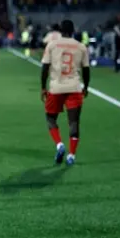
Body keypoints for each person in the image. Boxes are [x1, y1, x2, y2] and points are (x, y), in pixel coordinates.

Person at [41, 20, 90, 166]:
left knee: (51, 118)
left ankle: (59, 144)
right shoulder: (81, 47)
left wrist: (43, 87)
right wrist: (86, 87)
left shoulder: (52, 44)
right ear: (73, 30)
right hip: (74, 87)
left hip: (56, 87)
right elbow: (86, 70)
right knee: (74, 122)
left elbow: (44, 68)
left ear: (61, 31)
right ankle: (71, 155)